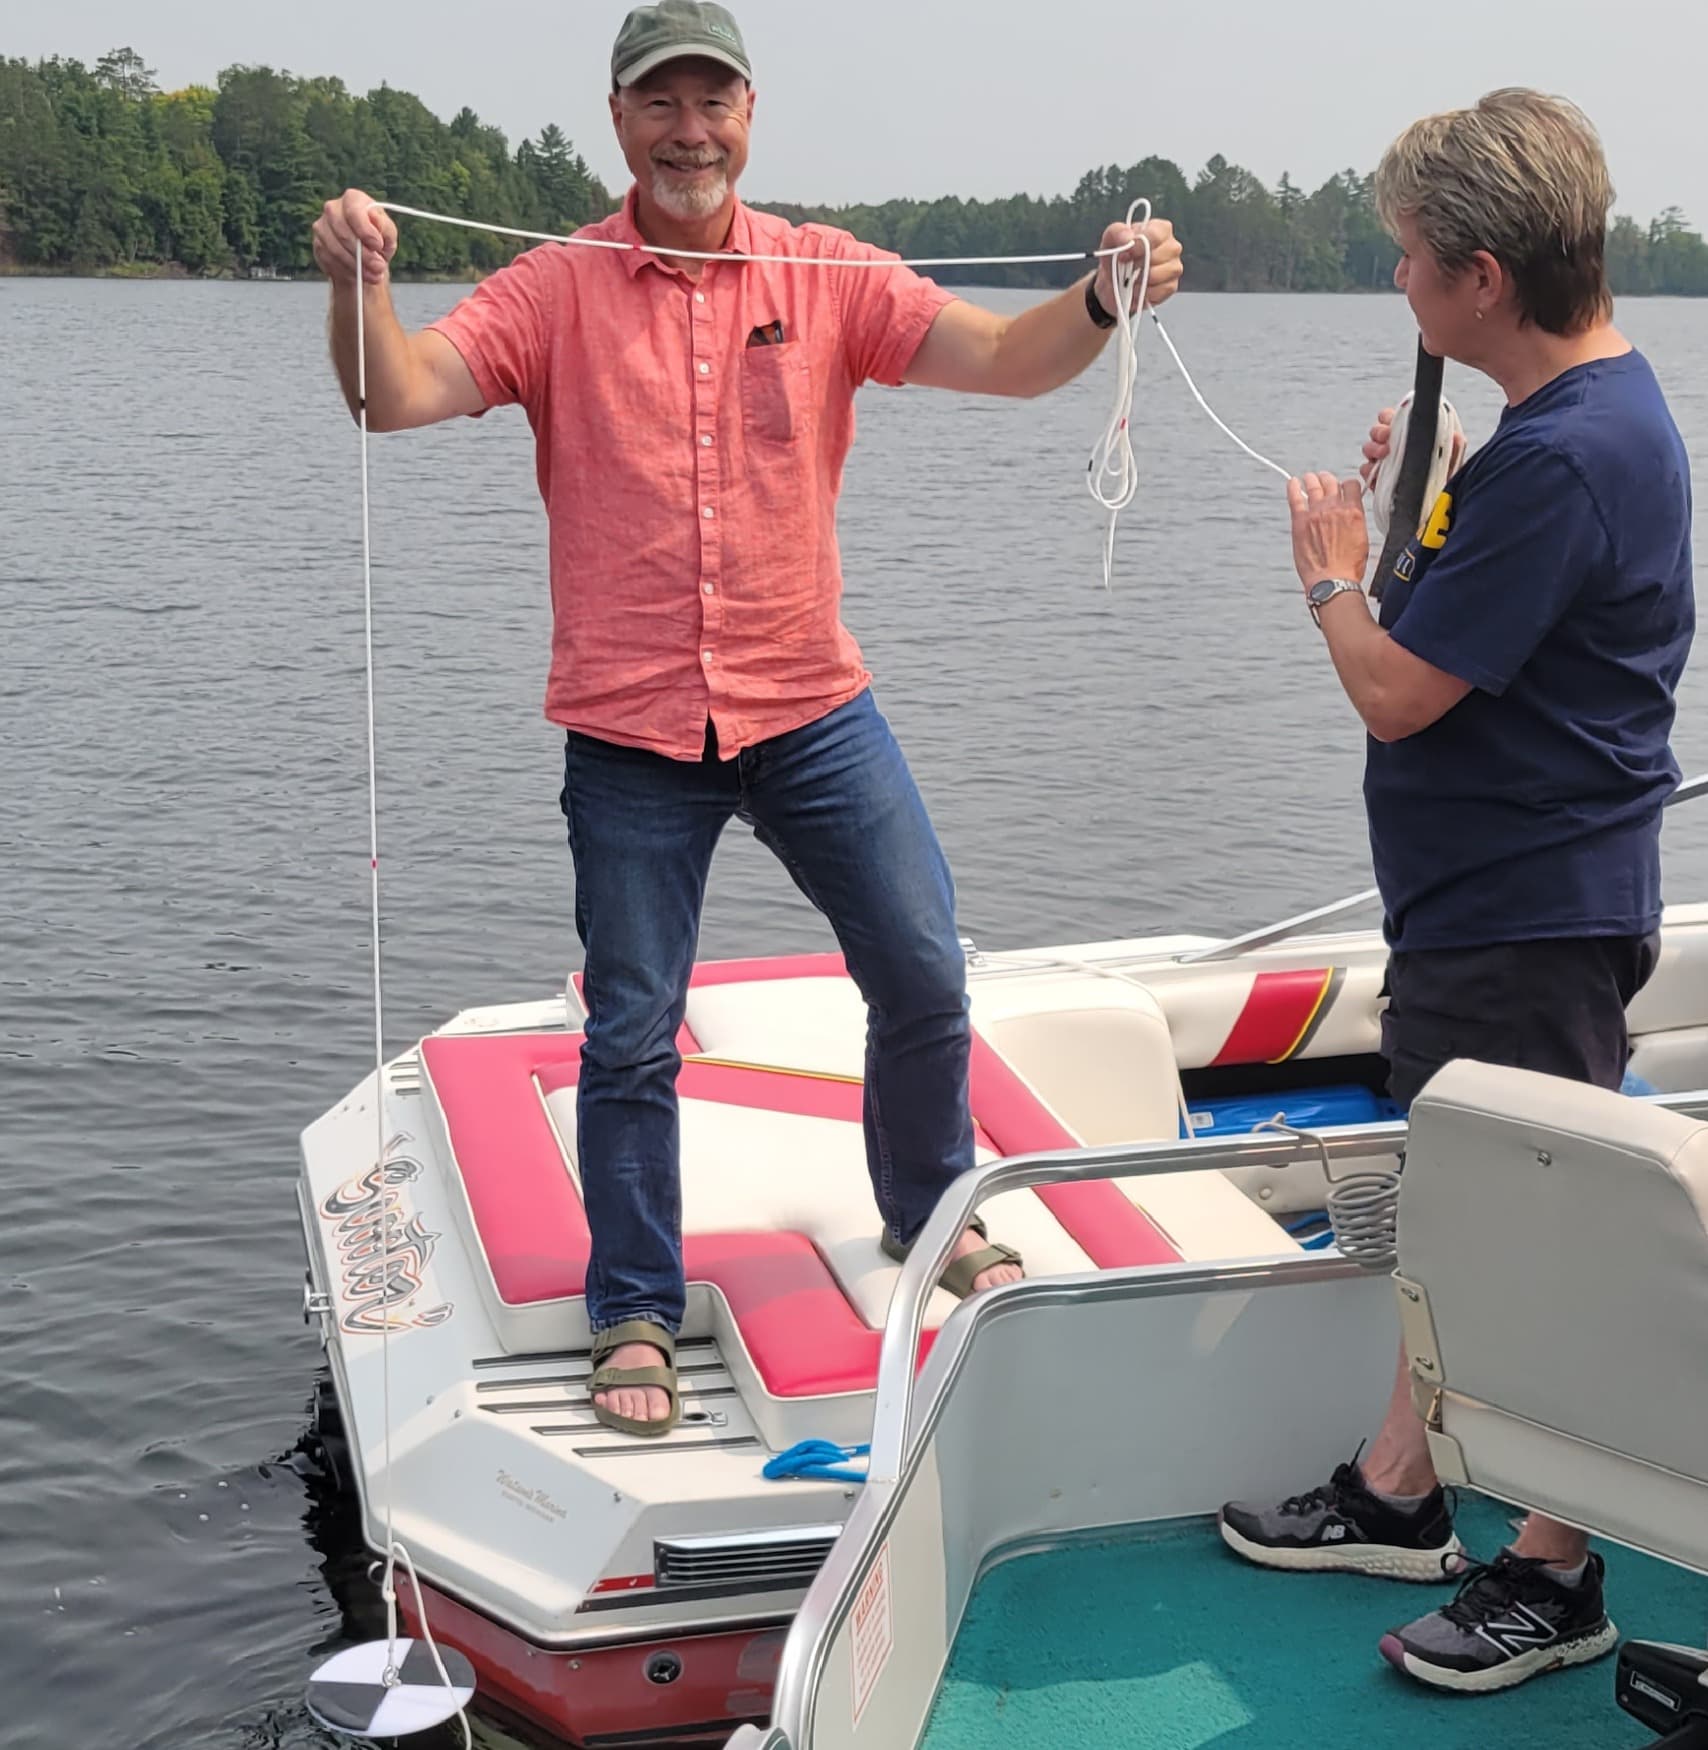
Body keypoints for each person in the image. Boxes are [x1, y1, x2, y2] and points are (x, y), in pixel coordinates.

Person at [311, 0, 1183, 1437]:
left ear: (751, 115)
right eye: (663, 103)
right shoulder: (555, 289)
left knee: (921, 967)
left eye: (713, 101)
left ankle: (926, 1209)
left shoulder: (827, 274)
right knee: (633, 1032)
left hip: (809, 701)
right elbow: (390, 395)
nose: (690, 129)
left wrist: (1100, 298)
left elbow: (1008, 360)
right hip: (631, 726)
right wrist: (356, 288)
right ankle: (634, 1305)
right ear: (621, 122)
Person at [1218, 88, 1694, 1693]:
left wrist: (1329, 575)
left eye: (1412, 260)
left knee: (1530, 1239)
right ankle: (1398, 1489)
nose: (1400, 284)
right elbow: (1492, 628)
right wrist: (1423, 515)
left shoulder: (1565, 461)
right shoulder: (1572, 435)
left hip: (1523, 913)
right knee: (1469, 1213)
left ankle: (1553, 1574)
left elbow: (1400, 690)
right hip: (1504, 906)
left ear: (1484, 276)